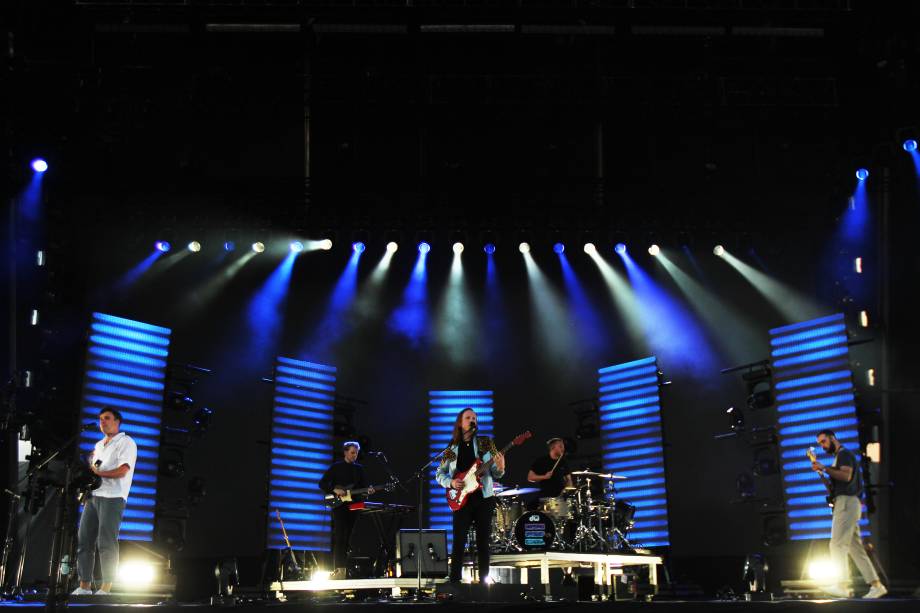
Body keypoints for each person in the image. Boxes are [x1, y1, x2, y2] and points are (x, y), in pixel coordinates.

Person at [810, 429, 887, 599]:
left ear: (832, 438)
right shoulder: (839, 457)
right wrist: (822, 472)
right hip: (847, 503)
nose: (822, 446)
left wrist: (824, 467)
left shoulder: (844, 454)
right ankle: (877, 585)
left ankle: (842, 585)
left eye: (823, 441)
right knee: (856, 549)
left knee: (837, 545)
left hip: (846, 503)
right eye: (819, 444)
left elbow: (845, 477)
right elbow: (836, 485)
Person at [71, 408, 138, 596]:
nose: (103, 422)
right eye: (100, 419)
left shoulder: (126, 442)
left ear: (117, 421)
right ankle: (84, 586)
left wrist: (99, 473)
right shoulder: (99, 444)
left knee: (106, 542)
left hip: (113, 497)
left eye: (107, 418)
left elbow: (123, 470)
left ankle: (106, 588)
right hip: (94, 496)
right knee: (84, 541)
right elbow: (95, 468)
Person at [435, 408, 505, 584]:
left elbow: (496, 473)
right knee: (458, 541)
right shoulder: (451, 448)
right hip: (462, 500)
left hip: (483, 498)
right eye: (468, 417)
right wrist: (451, 483)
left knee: (483, 542)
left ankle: (484, 581)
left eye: (474, 418)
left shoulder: (486, 442)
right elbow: (439, 473)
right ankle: (454, 580)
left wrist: (501, 466)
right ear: (460, 423)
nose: (472, 420)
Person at [319, 441, 374, 579]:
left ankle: (345, 569)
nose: (355, 455)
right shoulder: (336, 467)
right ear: (345, 452)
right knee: (340, 537)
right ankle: (339, 569)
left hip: (353, 506)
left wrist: (368, 491)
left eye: (356, 453)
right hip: (339, 506)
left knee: (349, 538)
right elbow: (322, 483)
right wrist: (334, 489)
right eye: (352, 452)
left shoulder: (359, 469)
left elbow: (363, 489)